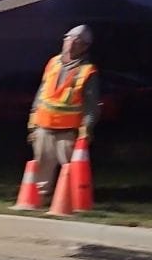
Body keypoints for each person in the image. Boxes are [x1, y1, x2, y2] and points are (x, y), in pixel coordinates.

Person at [28, 24, 100, 198]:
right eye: (68, 38)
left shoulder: (87, 71)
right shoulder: (53, 62)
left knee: (71, 166)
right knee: (42, 164)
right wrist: (32, 121)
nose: (70, 43)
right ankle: (41, 198)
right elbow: (42, 92)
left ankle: (73, 199)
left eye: (77, 41)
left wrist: (87, 129)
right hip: (44, 125)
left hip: (68, 130)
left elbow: (91, 105)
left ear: (85, 46)